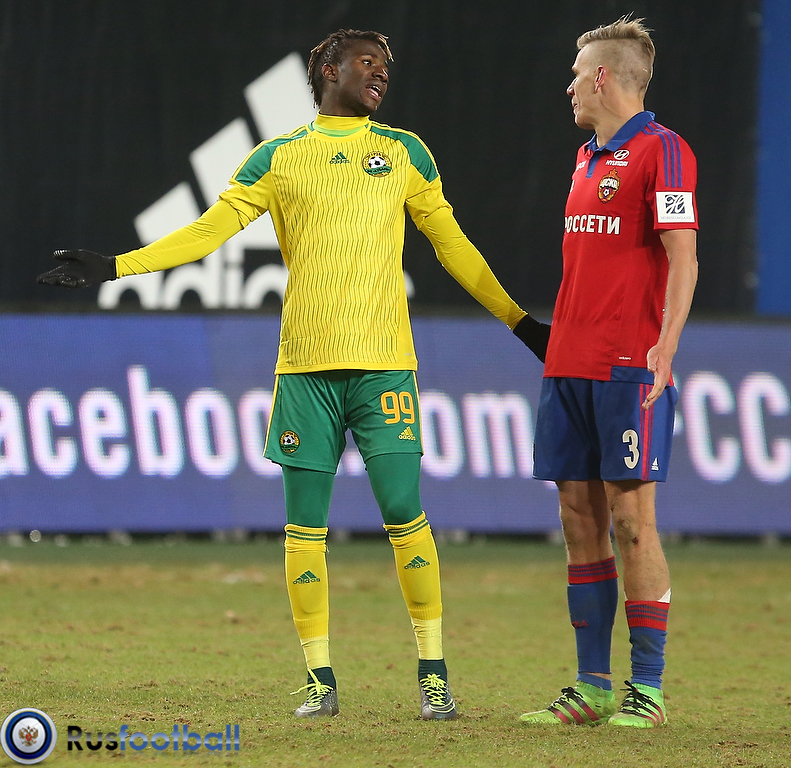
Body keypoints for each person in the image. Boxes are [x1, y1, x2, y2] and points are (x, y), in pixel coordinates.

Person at [39, 29, 546, 720]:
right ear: (330, 71)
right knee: (304, 527)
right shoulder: (277, 158)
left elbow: (451, 244)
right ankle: (319, 680)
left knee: (405, 512)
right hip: (305, 369)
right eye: (367, 62)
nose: (381, 74)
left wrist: (520, 322)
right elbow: (207, 233)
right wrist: (115, 266)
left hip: (384, 367)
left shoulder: (405, 152)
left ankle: (434, 675)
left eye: (386, 66)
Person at [518, 17, 698, 728]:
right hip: (567, 364)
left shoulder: (664, 150)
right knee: (577, 518)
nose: (568, 87)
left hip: (629, 367)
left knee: (631, 521)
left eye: (575, 75)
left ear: (601, 77)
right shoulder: (584, 158)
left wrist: (666, 347)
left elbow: (682, 256)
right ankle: (591, 686)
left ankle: (646, 689)